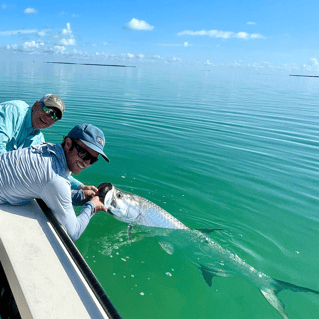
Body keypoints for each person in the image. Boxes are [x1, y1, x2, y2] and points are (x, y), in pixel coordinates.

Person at [0, 124, 109, 241]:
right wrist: (92, 206)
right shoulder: (56, 179)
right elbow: (73, 232)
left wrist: (82, 196)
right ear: (68, 144)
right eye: (83, 153)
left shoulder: (48, 148)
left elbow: (49, 189)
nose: (86, 162)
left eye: (93, 160)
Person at [0, 94, 98, 199]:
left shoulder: (39, 140)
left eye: (55, 117)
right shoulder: (13, 111)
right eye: (48, 110)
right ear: (36, 104)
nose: (49, 117)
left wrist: (80, 187)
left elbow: (52, 169)